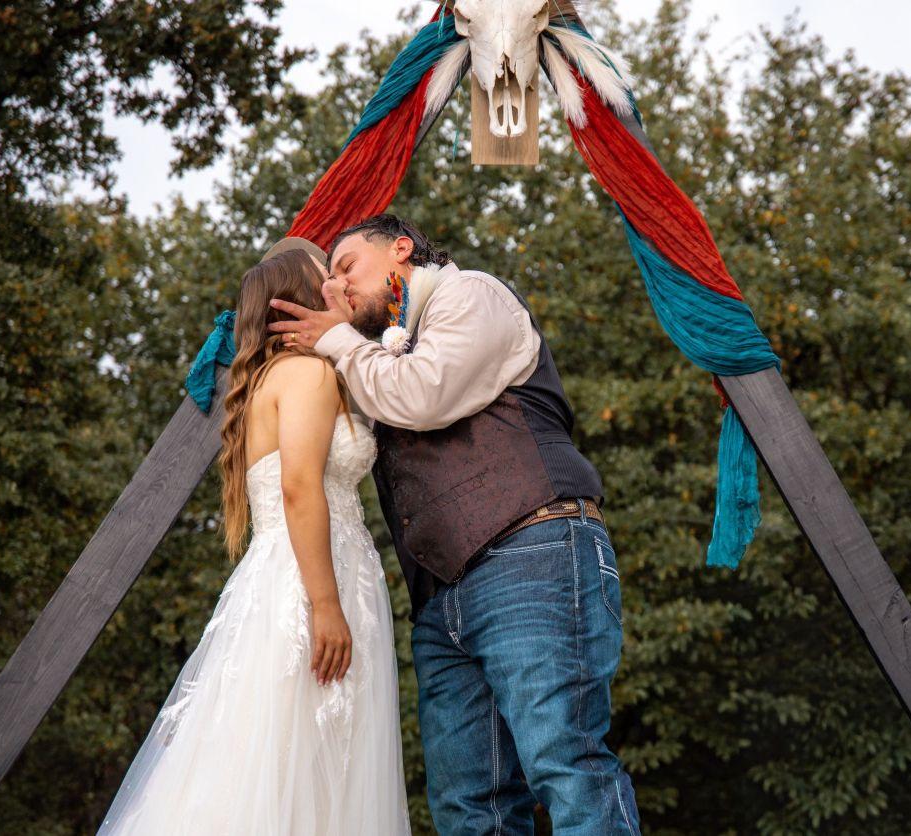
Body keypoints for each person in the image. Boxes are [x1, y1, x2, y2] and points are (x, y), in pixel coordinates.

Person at [270, 214, 642, 834]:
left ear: (402, 248)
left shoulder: (470, 293)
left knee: (566, 767)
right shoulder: (371, 355)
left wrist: (335, 338)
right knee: (468, 807)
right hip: (438, 602)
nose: (339, 286)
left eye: (347, 267)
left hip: (534, 554)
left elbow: (423, 394)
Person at [98, 241, 409, 835]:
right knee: (304, 757)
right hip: (310, 585)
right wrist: (326, 605)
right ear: (299, 300)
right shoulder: (308, 375)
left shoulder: (271, 379)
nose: (339, 286)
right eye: (326, 277)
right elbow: (299, 487)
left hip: (291, 576)